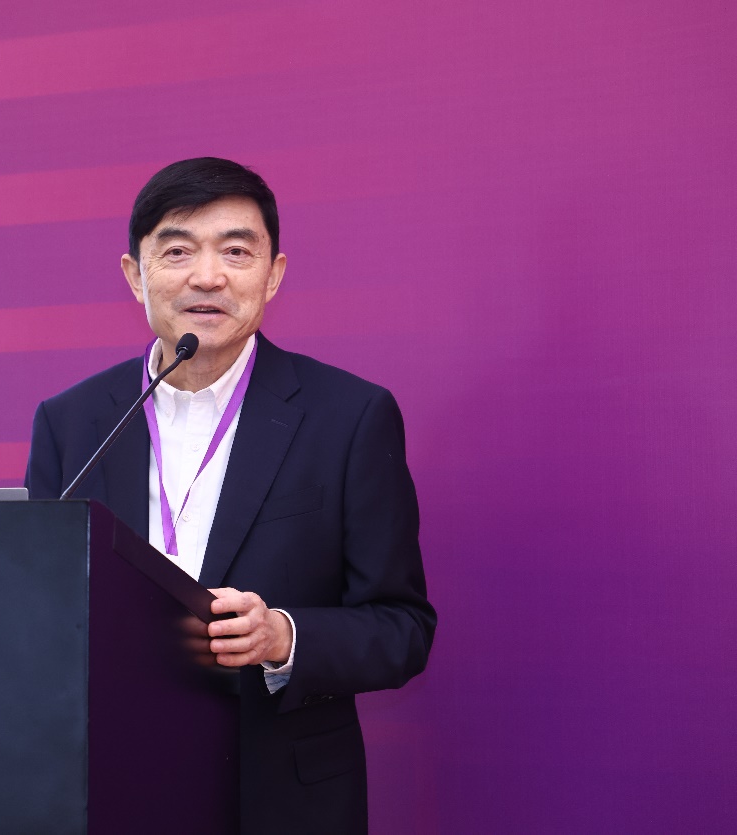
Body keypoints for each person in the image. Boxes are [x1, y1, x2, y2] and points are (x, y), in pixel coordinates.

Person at [26, 157, 435, 833]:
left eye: (236, 251)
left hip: (277, 795)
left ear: (273, 274)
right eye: (177, 250)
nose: (208, 276)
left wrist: (283, 636)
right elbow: (37, 611)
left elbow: (402, 628)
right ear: (135, 274)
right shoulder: (71, 423)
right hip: (107, 786)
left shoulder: (349, 417)